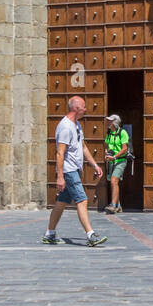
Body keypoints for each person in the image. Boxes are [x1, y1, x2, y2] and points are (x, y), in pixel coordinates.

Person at [42, 96, 106, 246]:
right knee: (82, 199)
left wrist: (95, 165)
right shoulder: (65, 127)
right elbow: (60, 153)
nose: (86, 109)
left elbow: (82, 147)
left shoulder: (77, 125)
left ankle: (50, 233)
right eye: (83, 107)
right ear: (76, 109)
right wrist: (60, 176)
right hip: (69, 171)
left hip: (76, 170)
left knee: (62, 202)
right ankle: (91, 235)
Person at [102, 113, 130, 214]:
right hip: (111, 161)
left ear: (115, 123)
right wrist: (106, 151)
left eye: (110, 121)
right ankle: (118, 206)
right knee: (113, 182)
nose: (108, 122)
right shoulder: (109, 133)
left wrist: (114, 156)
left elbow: (125, 148)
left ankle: (113, 206)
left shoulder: (123, 133)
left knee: (114, 181)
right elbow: (106, 145)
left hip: (120, 161)